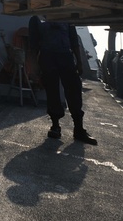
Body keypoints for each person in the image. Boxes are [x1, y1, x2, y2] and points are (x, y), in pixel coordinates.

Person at [27, 15, 97, 144]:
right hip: (47, 57)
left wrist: (79, 61)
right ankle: (55, 126)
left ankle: (79, 129)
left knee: (74, 90)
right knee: (52, 91)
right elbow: (33, 44)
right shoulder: (36, 18)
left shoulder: (66, 15)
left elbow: (73, 39)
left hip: (66, 56)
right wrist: (34, 65)